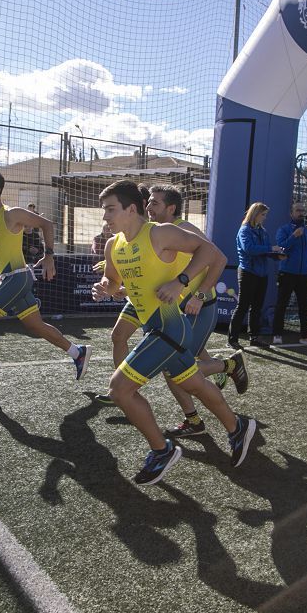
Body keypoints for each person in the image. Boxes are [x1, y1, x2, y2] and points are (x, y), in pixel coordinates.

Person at [91, 180, 256, 485]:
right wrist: (105, 289)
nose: (105, 217)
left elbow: (212, 254)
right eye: (105, 211)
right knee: (194, 383)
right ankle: (238, 427)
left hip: (170, 326)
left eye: (110, 210)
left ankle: (161, 450)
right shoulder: (115, 245)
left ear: (130, 209)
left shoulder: (160, 233)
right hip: (154, 325)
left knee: (120, 389)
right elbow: (113, 283)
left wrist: (181, 281)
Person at [114, 184, 248, 440]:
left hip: (196, 307)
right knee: (178, 367)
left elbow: (218, 258)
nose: (148, 207)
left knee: (179, 370)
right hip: (172, 308)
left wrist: (198, 294)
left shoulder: (184, 229)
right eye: (148, 202)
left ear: (171, 208)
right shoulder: (149, 233)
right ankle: (195, 418)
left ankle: (228, 366)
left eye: (154, 203)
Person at [0, 170, 90, 394]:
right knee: (35, 325)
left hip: (17, 277)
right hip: (10, 279)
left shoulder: (12, 214)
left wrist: (49, 255)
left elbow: (47, 224)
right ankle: (77, 352)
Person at [228, 202, 284, 348]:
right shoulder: (244, 230)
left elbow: (264, 251)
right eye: (263, 214)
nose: (265, 218)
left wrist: (276, 255)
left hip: (262, 273)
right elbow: (249, 249)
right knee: (243, 306)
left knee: (257, 307)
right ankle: (232, 339)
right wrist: (271, 248)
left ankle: (254, 337)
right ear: (255, 214)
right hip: (248, 272)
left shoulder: (262, 231)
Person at [272, 202, 307, 346]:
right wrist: (293, 236)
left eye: (303, 210)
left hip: (303, 276)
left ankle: (306, 336)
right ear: (291, 213)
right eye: (298, 210)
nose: (301, 212)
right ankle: (277, 335)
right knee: (281, 305)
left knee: (304, 306)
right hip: (286, 274)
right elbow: (281, 248)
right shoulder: (284, 230)